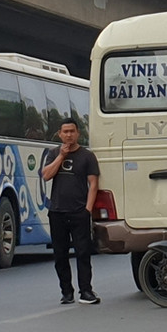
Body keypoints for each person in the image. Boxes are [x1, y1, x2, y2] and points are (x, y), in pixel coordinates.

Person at [41, 118, 101, 305]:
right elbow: (46, 175)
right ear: (60, 134)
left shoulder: (87, 156)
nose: (69, 135)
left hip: (79, 211)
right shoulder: (53, 153)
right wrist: (61, 156)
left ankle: (86, 291)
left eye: (72, 131)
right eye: (65, 132)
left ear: (78, 133)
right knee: (60, 254)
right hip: (57, 211)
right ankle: (66, 292)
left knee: (83, 253)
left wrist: (87, 210)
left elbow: (93, 183)